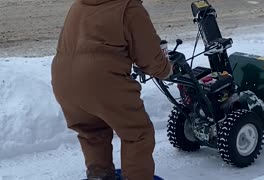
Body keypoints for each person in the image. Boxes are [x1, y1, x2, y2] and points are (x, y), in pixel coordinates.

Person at [51, 0, 173, 179]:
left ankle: (99, 175)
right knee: (137, 133)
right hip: (100, 80)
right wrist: (167, 69)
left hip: (63, 80)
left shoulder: (79, 4)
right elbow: (149, 55)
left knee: (92, 131)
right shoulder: (129, 7)